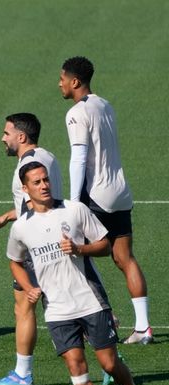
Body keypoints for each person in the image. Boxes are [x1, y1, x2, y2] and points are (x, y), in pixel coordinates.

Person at [7, 162, 154, 385]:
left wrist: (79, 249)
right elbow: (15, 260)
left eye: (46, 180)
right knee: (76, 368)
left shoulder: (75, 210)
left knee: (109, 364)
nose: (44, 185)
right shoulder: (21, 228)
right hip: (57, 310)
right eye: (37, 182)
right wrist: (27, 286)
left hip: (90, 300)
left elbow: (104, 244)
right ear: (25, 189)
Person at [59, 56, 152, 344]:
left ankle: (103, 320)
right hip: (120, 191)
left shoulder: (76, 113)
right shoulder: (105, 104)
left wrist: (74, 202)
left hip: (96, 194)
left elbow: (79, 157)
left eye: (62, 78)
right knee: (125, 258)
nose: (59, 83)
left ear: (75, 82)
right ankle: (144, 327)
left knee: (77, 254)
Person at [0, 113, 63, 385]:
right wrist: (7, 217)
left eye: (6, 133)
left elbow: (35, 206)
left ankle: (23, 374)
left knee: (24, 306)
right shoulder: (46, 157)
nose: (2, 138)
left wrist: (19, 226)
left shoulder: (29, 165)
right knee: (69, 306)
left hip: (37, 244)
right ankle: (112, 362)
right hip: (55, 236)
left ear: (21, 136)